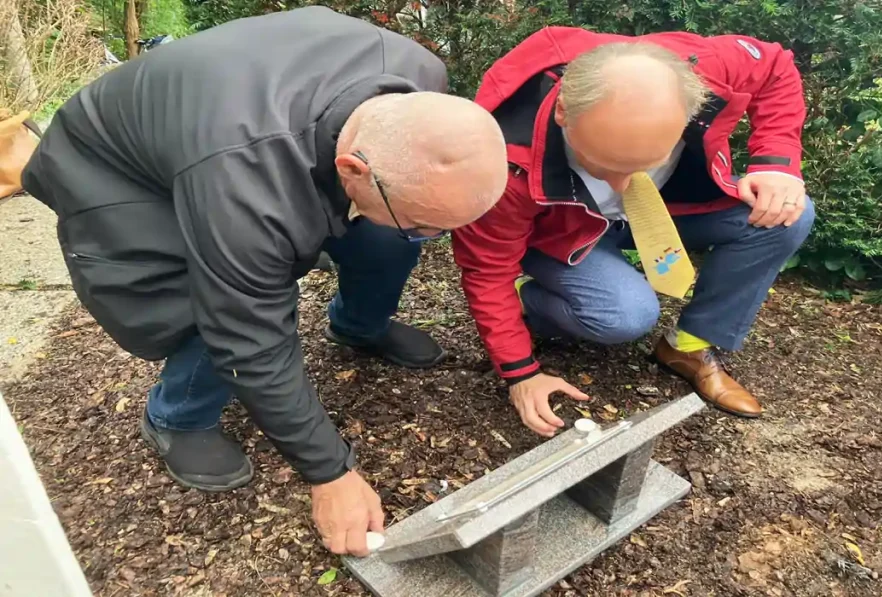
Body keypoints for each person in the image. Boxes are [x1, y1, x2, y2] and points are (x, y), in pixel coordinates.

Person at [21, 7, 509, 557]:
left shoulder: (420, 74)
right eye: (424, 224)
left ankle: (358, 326)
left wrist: (403, 225)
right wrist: (330, 473)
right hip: (114, 166)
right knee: (208, 304)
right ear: (351, 170)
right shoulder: (244, 181)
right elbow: (246, 329)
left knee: (387, 237)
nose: (431, 238)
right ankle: (176, 417)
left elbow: (376, 203)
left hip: (237, 127)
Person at [452, 27, 814, 436]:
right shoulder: (503, 161)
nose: (624, 186)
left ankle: (689, 347)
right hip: (561, 233)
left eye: (645, 164)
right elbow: (487, 270)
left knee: (786, 212)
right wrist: (519, 372)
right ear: (563, 112)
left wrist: (775, 163)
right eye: (600, 163)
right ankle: (530, 301)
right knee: (625, 317)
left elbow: (775, 66)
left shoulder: (704, 70)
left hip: (664, 209)